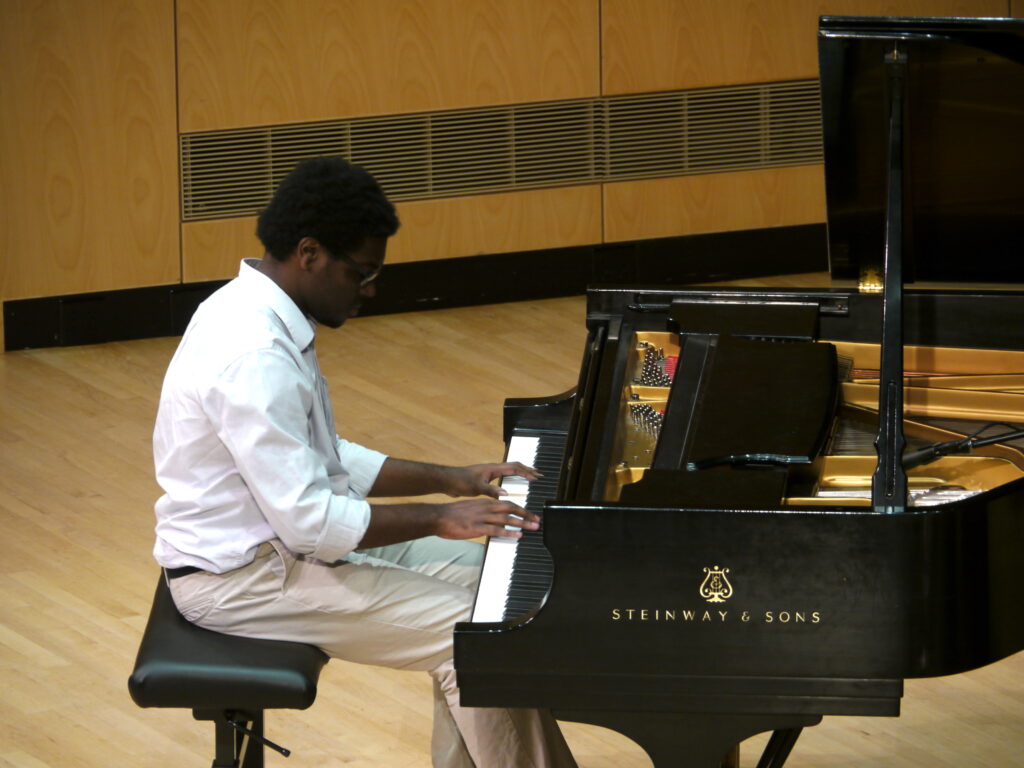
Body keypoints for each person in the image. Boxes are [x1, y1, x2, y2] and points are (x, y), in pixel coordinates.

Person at [151, 156, 577, 767]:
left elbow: (325, 457)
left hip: (279, 549)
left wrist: (445, 479)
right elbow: (311, 524)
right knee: (479, 637)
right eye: (362, 271)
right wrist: (437, 517)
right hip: (238, 580)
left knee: (492, 590)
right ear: (309, 253)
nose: (370, 289)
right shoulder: (252, 353)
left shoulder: (260, 311)